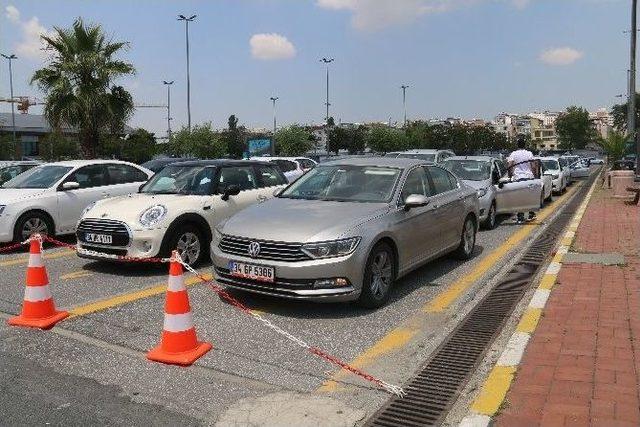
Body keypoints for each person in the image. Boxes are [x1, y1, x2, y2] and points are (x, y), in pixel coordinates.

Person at [507, 136, 536, 224]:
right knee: (529, 196)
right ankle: (531, 214)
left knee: (519, 197)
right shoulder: (529, 153)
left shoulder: (513, 154)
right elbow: (533, 166)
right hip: (529, 177)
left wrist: (510, 174)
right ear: (525, 145)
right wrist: (534, 175)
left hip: (518, 177)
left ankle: (520, 217)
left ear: (517, 145)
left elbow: (509, 165)